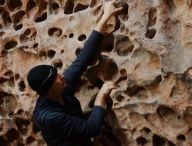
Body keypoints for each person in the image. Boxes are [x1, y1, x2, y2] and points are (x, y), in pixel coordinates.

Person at [27, 1, 122, 146]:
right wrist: (101, 96)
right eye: (56, 78)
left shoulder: (61, 88)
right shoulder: (50, 117)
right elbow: (92, 129)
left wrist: (106, 16)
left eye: (57, 73)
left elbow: (83, 58)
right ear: (49, 89)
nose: (61, 76)